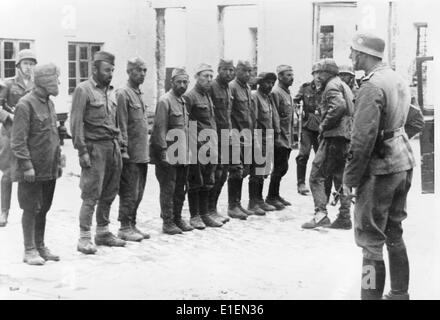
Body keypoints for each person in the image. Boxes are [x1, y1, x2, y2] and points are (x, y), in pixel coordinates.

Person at [343, 33, 416, 300]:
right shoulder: (396, 77)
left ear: (363, 54)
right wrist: (393, 135)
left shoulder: (371, 86)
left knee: (370, 243)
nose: (351, 56)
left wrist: (349, 180)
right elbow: (416, 121)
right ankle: (399, 294)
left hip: (380, 169)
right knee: (394, 232)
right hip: (403, 162)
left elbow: (361, 140)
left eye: (353, 52)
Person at [70, 51, 126, 254]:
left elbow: (116, 121)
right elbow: (75, 125)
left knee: (110, 192)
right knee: (91, 194)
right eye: (106, 70)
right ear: (94, 69)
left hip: (112, 148)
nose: (110, 74)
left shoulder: (112, 91)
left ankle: (102, 232)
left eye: (112, 70)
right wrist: (82, 151)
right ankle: (84, 237)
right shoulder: (83, 90)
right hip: (94, 150)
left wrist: (120, 146)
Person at [10, 63, 62, 265]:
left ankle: (40, 245)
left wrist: (58, 162)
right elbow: (18, 141)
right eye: (56, 78)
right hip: (32, 170)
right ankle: (29, 249)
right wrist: (27, 166)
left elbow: (53, 135)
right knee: (31, 208)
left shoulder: (49, 103)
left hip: (49, 168)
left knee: (44, 208)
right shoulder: (25, 104)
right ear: (45, 80)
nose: (58, 82)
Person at [301, 59, 354, 230]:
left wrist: (323, 126)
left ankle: (320, 214)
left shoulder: (331, 86)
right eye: (314, 73)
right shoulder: (341, 85)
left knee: (316, 176)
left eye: (318, 73)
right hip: (344, 137)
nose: (316, 77)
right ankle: (345, 216)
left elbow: (338, 106)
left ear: (328, 73)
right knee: (341, 177)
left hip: (333, 137)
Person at [150, 68, 193, 235]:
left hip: (182, 152)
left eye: (185, 82)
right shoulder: (165, 101)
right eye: (179, 82)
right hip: (169, 153)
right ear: (172, 82)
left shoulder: (182, 101)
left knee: (180, 187)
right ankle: (167, 221)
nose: (182, 85)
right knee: (168, 188)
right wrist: (162, 153)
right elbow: (159, 130)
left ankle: (177, 217)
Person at [0, 49, 37, 227]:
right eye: (25, 64)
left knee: (27, 172)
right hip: (9, 133)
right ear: (18, 66)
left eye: (31, 64)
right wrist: (9, 116)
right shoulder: (8, 84)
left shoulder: (36, 86)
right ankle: (3, 212)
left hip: (28, 135)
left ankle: (29, 211)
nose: (29, 67)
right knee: (7, 173)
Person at [184, 63, 223, 229]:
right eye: (205, 76)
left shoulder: (207, 96)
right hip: (196, 145)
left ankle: (205, 213)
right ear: (196, 77)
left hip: (210, 144)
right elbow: (185, 124)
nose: (208, 80)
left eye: (210, 77)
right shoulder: (190, 96)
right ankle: (195, 216)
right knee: (195, 181)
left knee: (208, 180)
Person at [116, 57, 150, 242]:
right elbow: (121, 125)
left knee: (139, 191)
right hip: (130, 154)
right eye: (138, 70)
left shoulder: (138, 94)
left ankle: (132, 223)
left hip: (142, 153)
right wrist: (123, 150)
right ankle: (124, 226)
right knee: (129, 192)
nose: (142, 73)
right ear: (129, 72)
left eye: (144, 70)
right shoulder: (123, 94)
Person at [207, 59, 235, 224]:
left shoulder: (227, 88)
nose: (229, 73)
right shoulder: (212, 87)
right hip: (213, 137)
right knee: (213, 174)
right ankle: (207, 210)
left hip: (226, 136)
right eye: (226, 70)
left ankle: (213, 208)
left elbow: (228, 114)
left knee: (223, 174)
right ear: (219, 70)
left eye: (232, 70)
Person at [248, 72, 279, 215]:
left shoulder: (267, 98)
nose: (270, 85)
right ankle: (253, 202)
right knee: (256, 171)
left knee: (263, 171)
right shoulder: (255, 96)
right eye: (267, 82)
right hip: (258, 137)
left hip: (268, 138)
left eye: (272, 83)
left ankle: (260, 199)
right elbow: (253, 120)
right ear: (260, 82)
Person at [227, 60, 255, 220]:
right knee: (235, 170)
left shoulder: (247, 88)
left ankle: (237, 203)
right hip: (235, 134)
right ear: (237, 71)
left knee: (243, 169)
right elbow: (229, 112)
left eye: (250, 71)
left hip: (246, 134)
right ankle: (232, 206)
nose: (248, 74)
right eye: (245, 71)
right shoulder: (232, 87)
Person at [266, 65, 295, 210]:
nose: (292, 77)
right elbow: (274, 115)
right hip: (280, 137)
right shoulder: (276, 93)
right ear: (280, 77)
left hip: (287, 137)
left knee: (283, 167)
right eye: (288, 75)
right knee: (279, 167)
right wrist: (277, 137)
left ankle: (275, 195)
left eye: (292, 74)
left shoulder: (286, 92)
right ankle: (271, 196)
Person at [293, 62, 322, 195]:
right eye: (316, 73)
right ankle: (301, 183)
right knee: (303, 154)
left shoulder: (327, 88)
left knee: (321, 156)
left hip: (321, 127)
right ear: (313, 74)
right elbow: (295, 101)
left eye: (321, 73)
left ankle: (319, 182)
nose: (318, 76)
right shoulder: (305, 88)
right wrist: (299, 112)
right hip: (307, 126)